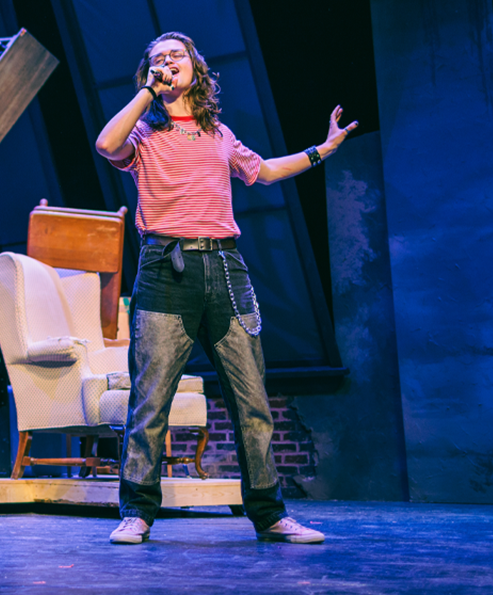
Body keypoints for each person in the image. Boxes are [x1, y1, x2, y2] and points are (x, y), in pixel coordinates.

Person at [95, 32, 357, 545]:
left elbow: (263, 172)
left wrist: (322, 150)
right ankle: (138, 512)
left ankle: (270, 515)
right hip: (166, 268)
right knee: (150, 400)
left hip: (225, 269)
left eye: (176, 56)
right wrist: (148, 93)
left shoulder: (220, 135)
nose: (167, 63)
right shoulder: (144, 134)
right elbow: (106, 144)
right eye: (156, 60)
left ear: (196, 68)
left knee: (251, 399)